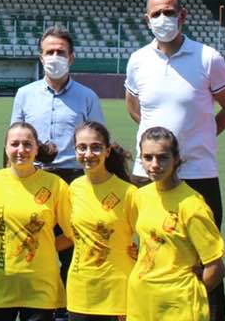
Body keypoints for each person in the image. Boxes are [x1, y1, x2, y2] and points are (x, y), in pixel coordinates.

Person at [124, 0, 225, 320]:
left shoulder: (208, 58)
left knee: (206, 259)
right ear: (147, 19)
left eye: (169, 12)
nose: (163, 18)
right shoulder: (137, 60)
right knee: (151, 250)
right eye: (156, 13)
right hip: (147, 176)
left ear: (183, 15)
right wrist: (157, 151)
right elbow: (135, 109)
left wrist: (202, 137)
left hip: (198, 174)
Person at [10, 25, 103, 314]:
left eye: (60, 52)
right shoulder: (24, 94)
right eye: (49, 52)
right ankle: (33, 306)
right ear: (41, 57)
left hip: (73, 180)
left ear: (71, 57)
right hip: (34, 178)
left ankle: (67, 309)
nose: (55, 57)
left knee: (72, 247)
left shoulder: (87, 97)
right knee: (32, 243)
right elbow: (13, 138)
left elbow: (98, 139)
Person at [127, 127, 225, 321]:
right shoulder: (141, 196)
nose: (154, 165)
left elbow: (216, 267)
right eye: (148, 157)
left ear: (176, 159)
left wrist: (189, 294)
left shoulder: (193, 206)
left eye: (162, 158)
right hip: (141, 300)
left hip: (179, 307)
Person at [0, 122, 73, 321]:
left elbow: (72, 234)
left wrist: (46, 245)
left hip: (40, 286)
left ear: (37, 149)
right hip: (0, 284)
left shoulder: (56, 185)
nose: (21, 150)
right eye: (15, 144)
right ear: (6, 148)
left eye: (27, 144)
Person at [66, 121, 137, 321]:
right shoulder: (73, 189)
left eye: (96, 147)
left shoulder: (128, 193)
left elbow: (150, 234)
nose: (88, 154)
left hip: (118, 292)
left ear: (107, 151)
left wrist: (139, 252)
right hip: (80, 291)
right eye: (82, 147)